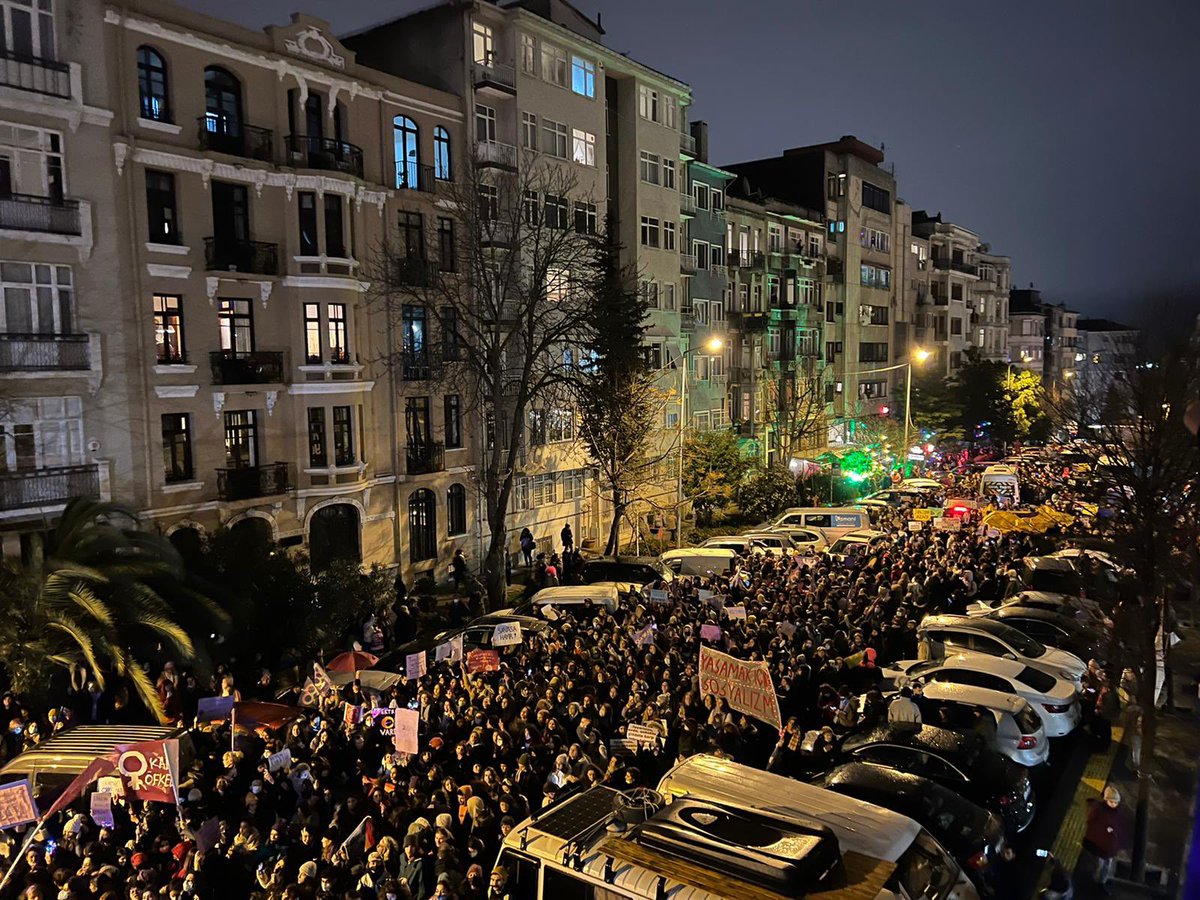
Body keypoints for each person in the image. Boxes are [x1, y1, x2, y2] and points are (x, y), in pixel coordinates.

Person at [1083, 785, 1125, 891]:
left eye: (1116, 803)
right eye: (1112, 802)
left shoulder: (1116, 811)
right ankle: (1096, 881)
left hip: (1109, 845)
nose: (1114, 805)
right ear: (1106, 800)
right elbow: (1091, 822)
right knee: (1099, 865)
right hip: (1099, 844)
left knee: (1107, 865)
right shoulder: (1098, 810)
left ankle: (1101, 882)